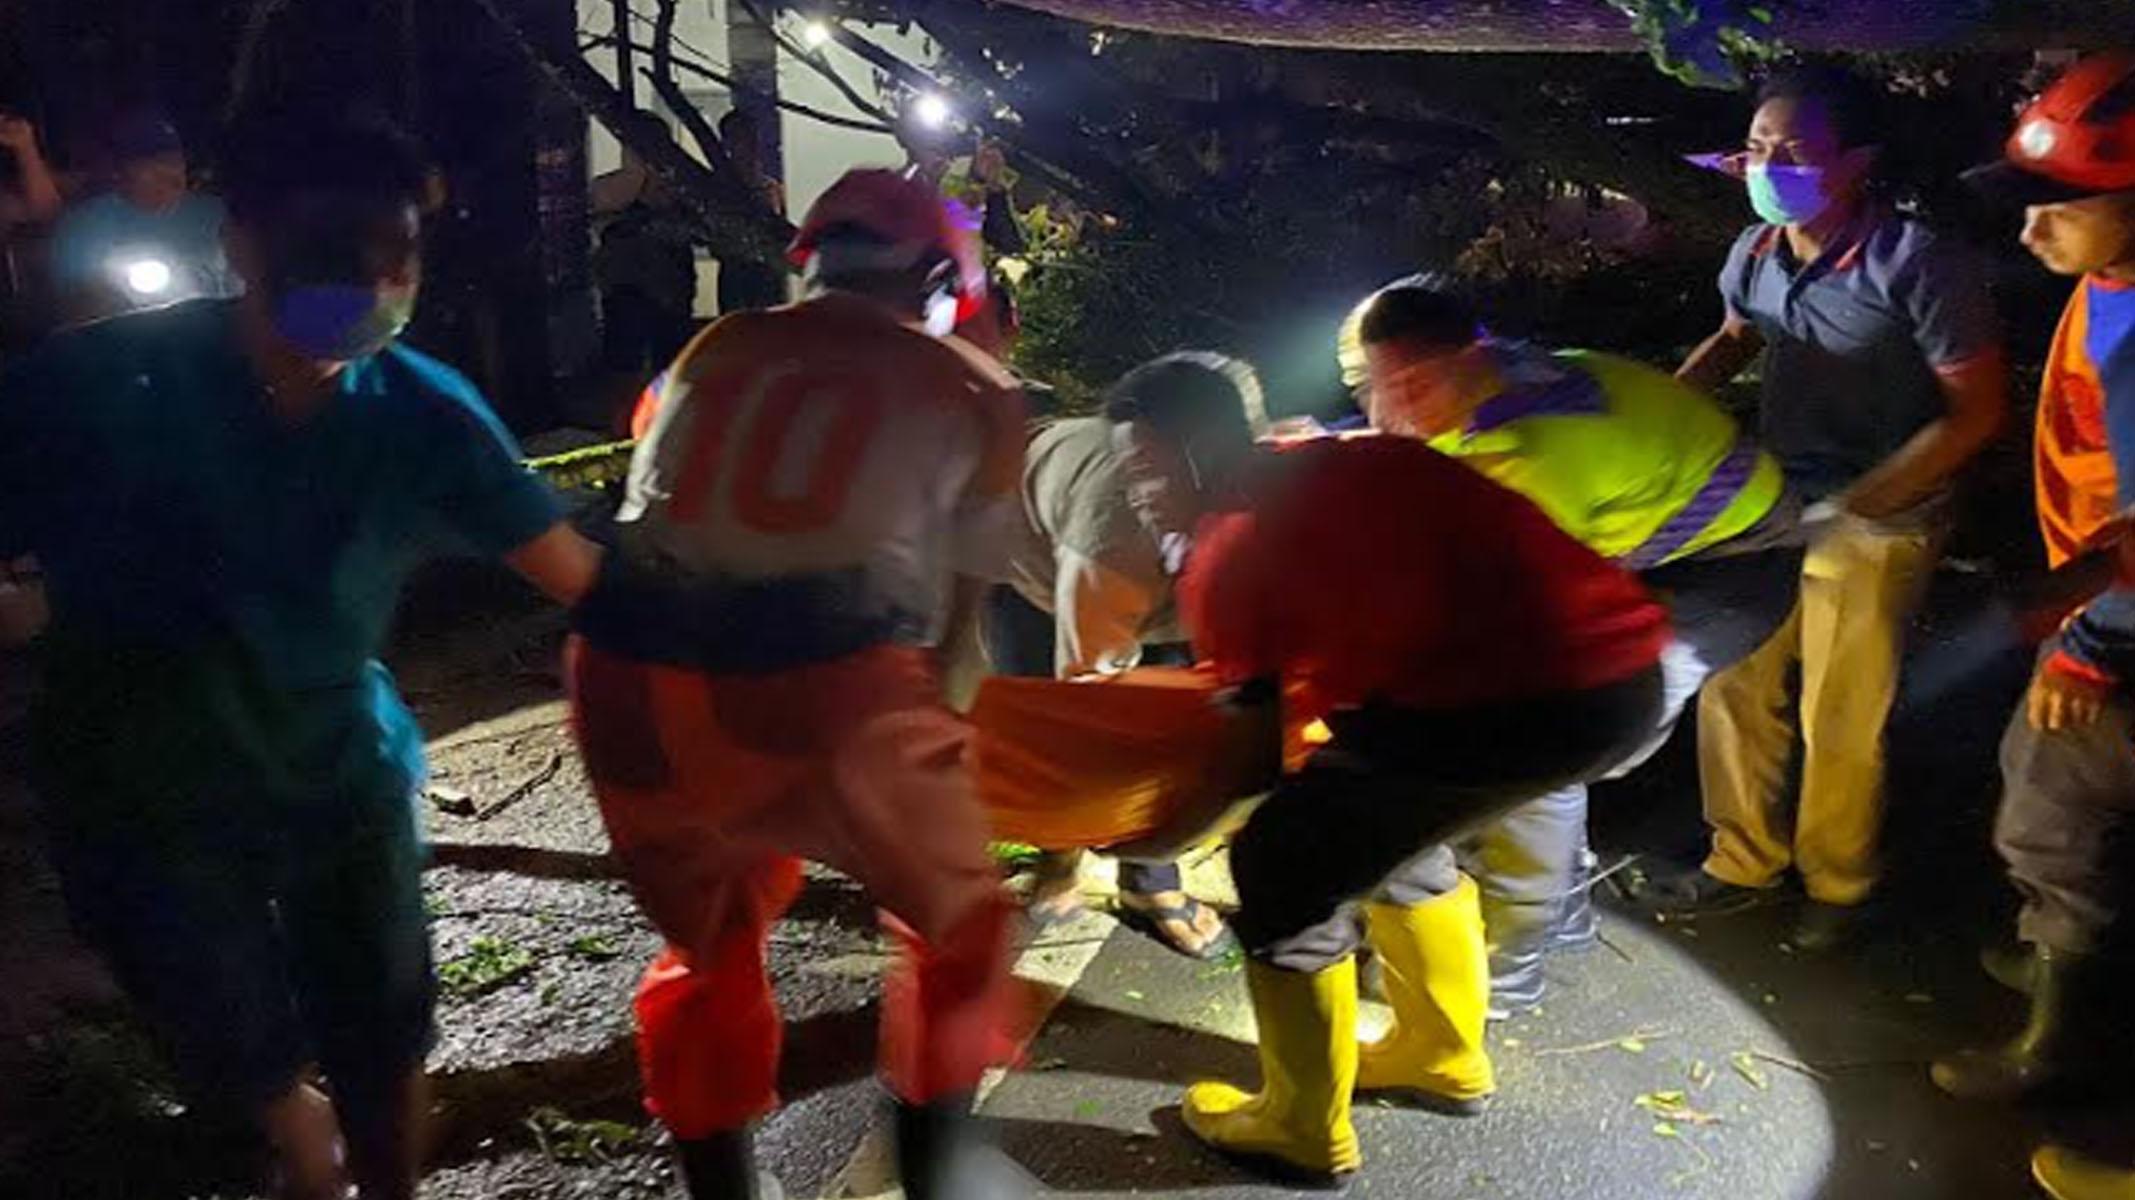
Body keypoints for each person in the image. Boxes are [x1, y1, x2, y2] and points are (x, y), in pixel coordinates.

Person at [0, 113, 601, 1200]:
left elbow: (584, 579)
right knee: (227, 1037)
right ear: (240, 244)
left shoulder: (421, 411)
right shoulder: (89, 384)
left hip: (336, 778)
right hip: (137, 788)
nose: (365, 285)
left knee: (382, 1036)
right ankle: (290, 1126)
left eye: (394, 257)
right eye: (327, 252)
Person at [567, 168, 1029, 1200]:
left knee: (710, 944)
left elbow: (668, 483)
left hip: (625, 673)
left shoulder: (714, 345)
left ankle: (723, 1190)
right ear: (938, 282)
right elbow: (958, 633)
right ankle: (940, 1176)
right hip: (826, 681)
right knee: (957, 927)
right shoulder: (976, 388)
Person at [1173, 430, 1666, 1180]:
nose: (1141, 497)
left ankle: (1299, 1130)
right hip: (1621, 681)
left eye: (1142, 471)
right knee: (1393, 823)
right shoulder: (1352, 455)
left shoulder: (1231, 549)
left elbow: (1247, 758)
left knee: (1281, 861)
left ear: (1183, 460)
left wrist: (1157, 840)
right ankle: (1442, 1056)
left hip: (1511, 700)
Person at [1338, 273, 1802, 1012]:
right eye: (1375, 387)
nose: (1388, 410)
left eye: (1408, 386)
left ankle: (1509, 965)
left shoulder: (1534, 455)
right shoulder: (1508, 372)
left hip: (1727, 575)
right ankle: (1563, 910)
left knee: (1538, 748)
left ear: (1464, 356)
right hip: (1661, 546)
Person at [1661, 65, 2008, 948]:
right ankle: (1740, 860)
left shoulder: (1918, 263)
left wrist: (1863, 504)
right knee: (1732, 679)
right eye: (1757, 147)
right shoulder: (1754, 252)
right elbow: (1733, 336)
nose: (1767, 167)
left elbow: (1977, 412)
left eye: (1792, 151)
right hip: (1773, 496)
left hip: (1885, 511)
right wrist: (1656, 411)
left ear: (1856, 161)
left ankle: (1838, 883)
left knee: (1840, 707)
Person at [1925, 54, 2135, 1122]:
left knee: (2050, 819)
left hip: (2119, 626)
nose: (2028, 231)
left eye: (2060, 208)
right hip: (2099, 597)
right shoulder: (2112, 287)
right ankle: (2062, 961)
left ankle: (2060, 1038)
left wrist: (2090, 647)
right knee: (2035, 782)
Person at [986, 353, 1264, 960]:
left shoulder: (1265, 504)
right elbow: (1089, 702)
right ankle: (1060, 863)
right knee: (1061, 730)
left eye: (1153, 471)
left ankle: (1147, 885)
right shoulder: (1114, 540)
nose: (1144, 494)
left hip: (1156, 580)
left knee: (1182, 719)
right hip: (1028, 557)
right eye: (1134, 469)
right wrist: (1152, 831)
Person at [50, 109, 239, 323]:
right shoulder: (83, 226)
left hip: (219, 330)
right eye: (151, 163)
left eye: (175, 160)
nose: (168, 172)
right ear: (119, 171)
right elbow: (78, 307)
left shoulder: (216, 212)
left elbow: (245, 288)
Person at [592, 111, 701, 374]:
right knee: (626, 369)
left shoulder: (683, 196)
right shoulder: (610, 191)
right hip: (628, 304)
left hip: (673, 303)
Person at [713, 106, 790, 314]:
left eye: (749, 136)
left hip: (770, 279)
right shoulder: (717, 189)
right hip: (737, 279)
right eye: (738, 137)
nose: (746, 144)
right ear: (727, 142)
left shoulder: (772, 188)